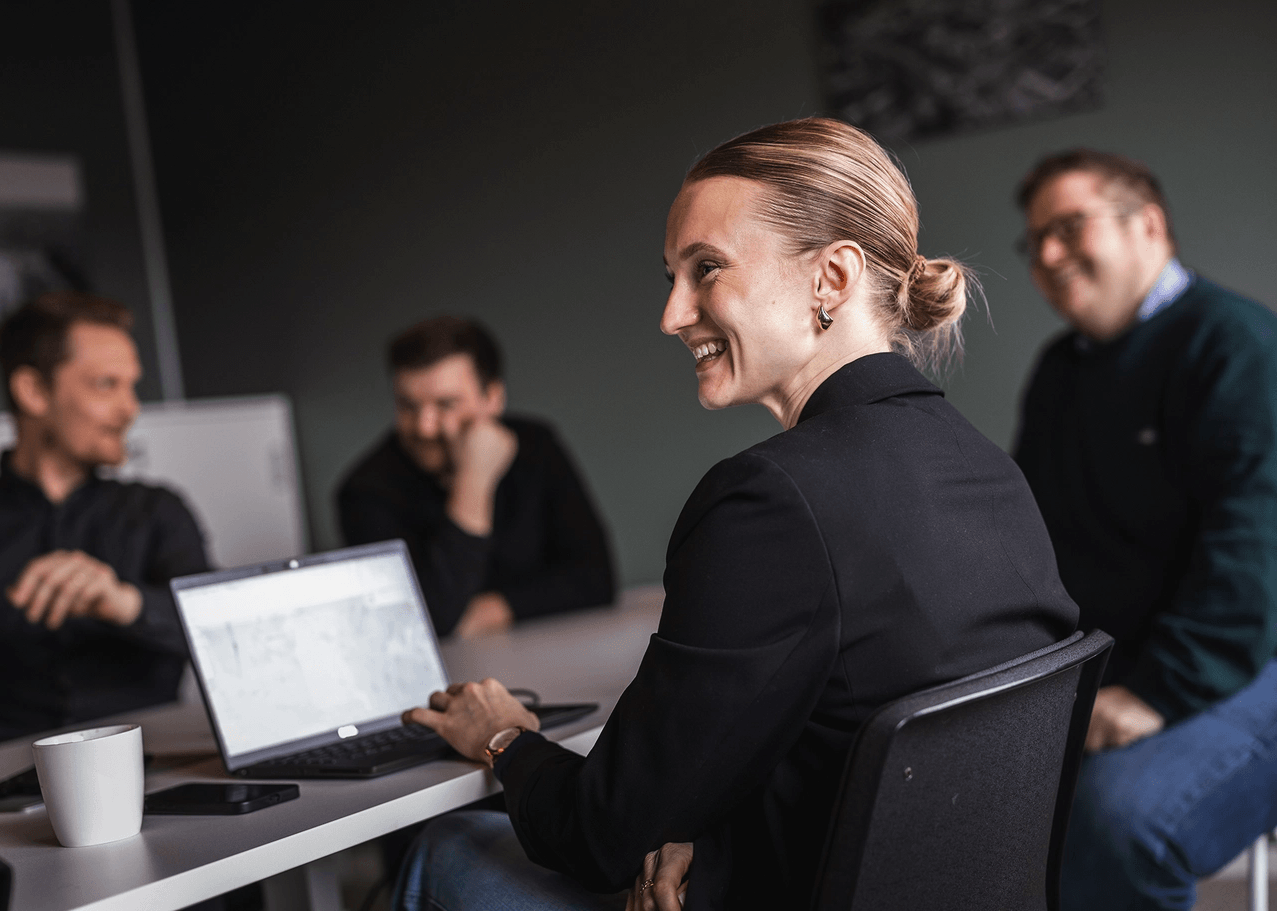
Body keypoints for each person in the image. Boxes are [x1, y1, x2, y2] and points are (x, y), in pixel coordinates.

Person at [390, 118, 1079, 911]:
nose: (672, 314)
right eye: (670, 276)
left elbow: (596, 832)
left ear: (833, 278)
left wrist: (504, 738)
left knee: (449, 847)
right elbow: (875, 747)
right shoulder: (987, 467)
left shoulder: (770, 501)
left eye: (706, 268)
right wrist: (709, 834)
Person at [1012, 149, 1277, 911]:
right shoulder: (1060, 370)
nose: (1050, 255)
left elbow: (1250, 555)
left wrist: (1155, 692)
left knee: (1116, 821)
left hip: (1247, 651)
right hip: (1119, 662)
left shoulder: (1234, 344)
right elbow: (1031, 538)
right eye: (1036, 242)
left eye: (1069, 227)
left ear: (1149, 225)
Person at [0, 291, 209, 763]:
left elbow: (219, 633)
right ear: (33, 392)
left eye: (132, 386)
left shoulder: (158, 512)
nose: (130, 408)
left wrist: (125, 602)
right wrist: (44, 764)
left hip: (160, 772)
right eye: (106, 385)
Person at [335, 316, 615, 638]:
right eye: (408, 406)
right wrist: (474, 480)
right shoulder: (363, 492)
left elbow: (597, 579)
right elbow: (431, 621)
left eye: (446, 404)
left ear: (493, 398)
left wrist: (492, 610)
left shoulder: (537, 446)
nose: (425, 427)